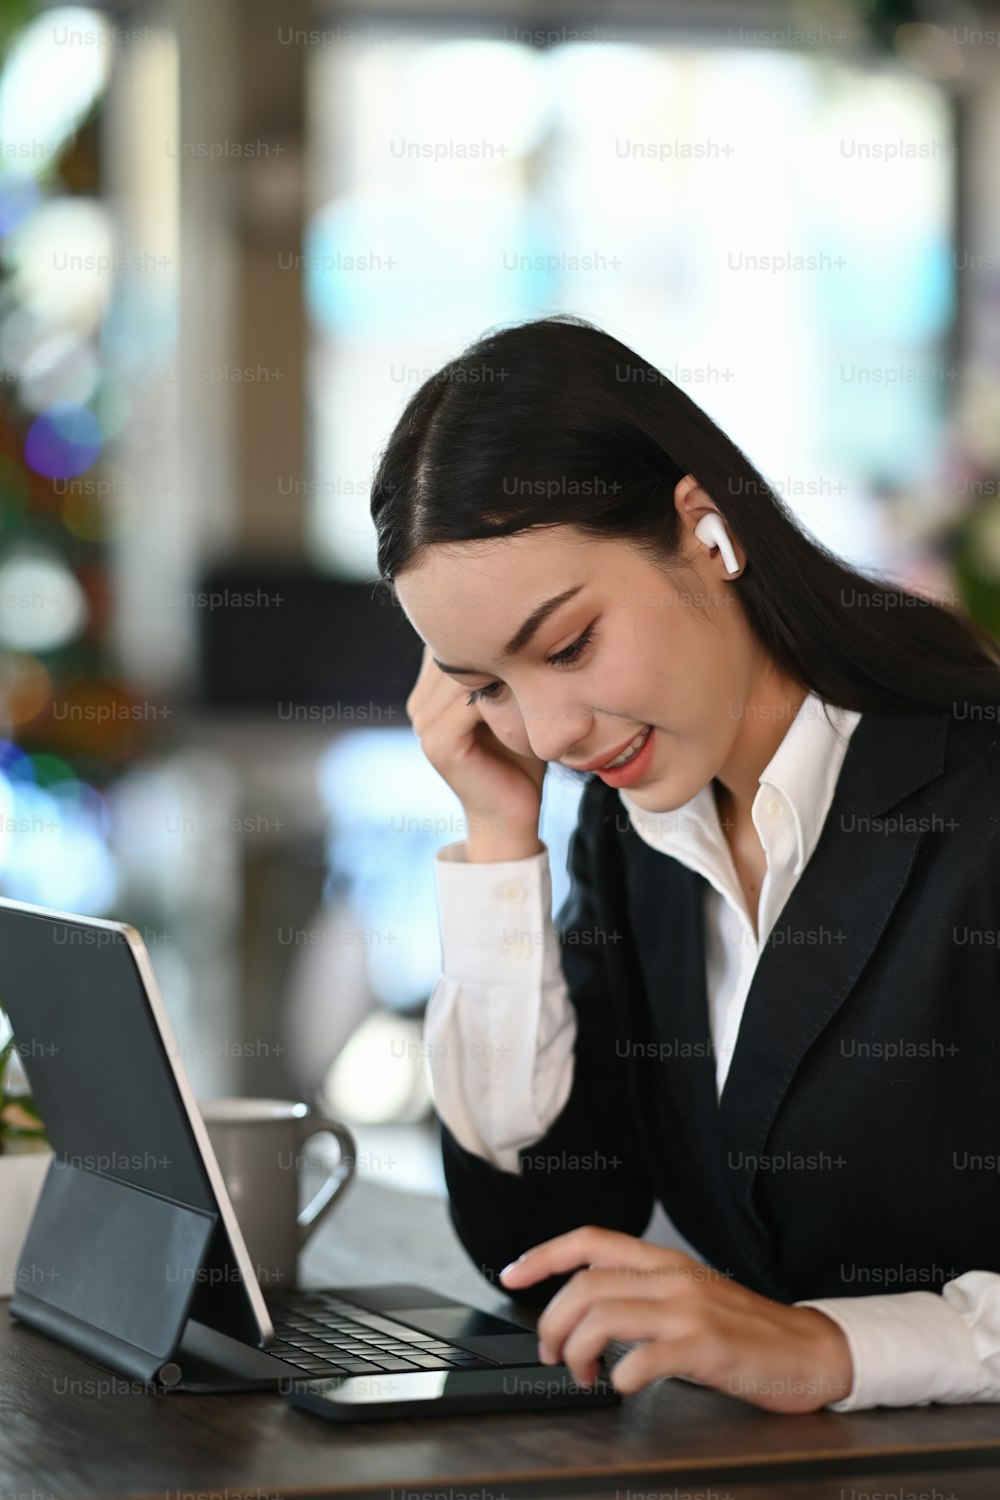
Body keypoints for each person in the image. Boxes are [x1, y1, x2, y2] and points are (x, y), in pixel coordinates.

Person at [369, 313, 1000, 1415]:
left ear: (704, 529)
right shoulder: (639, 833)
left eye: (566, 646)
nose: (552, 730)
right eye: (488, 686)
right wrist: (496, 841)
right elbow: (537, 1243)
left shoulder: (976, 801)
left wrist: (832, 1349)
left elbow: (808, 1340)